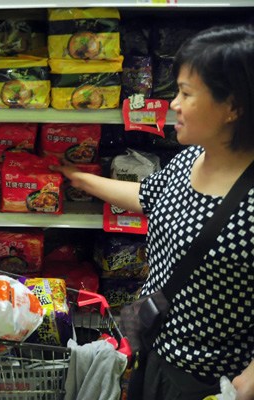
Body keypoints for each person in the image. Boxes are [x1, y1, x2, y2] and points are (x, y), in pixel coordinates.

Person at [58, 24, 254, 400]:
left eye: (185, 93)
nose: (174, 104)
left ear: (233, 107)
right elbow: (148, 195)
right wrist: (80, 180)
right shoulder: (191, 159)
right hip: (152, 350)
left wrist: (247, 383)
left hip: (206, 381)